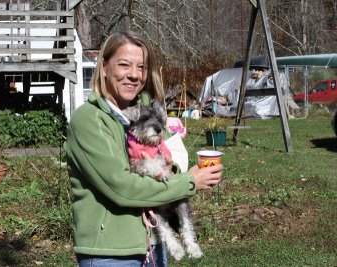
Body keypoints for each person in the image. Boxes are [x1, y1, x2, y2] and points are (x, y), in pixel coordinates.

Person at [64, 31, 223, 267]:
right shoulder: (89, 120)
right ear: (104, 67)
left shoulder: (150, 115)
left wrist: (177, 171)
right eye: (124, 65)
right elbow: (122, 187)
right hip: (111, 254)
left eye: (141, 67)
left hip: (153, 244)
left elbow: (172, 161)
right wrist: (189, 182)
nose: (134, 75)